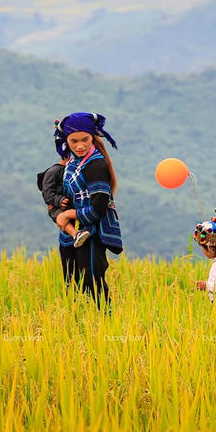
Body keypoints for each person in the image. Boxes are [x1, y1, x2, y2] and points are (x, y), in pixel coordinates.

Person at [52, 113, 122, 309]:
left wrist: (67, 215)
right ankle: (77, 327)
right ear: (66, 140)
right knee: (71, 284)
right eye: (74, 141)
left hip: (91, 234)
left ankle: (103, 325)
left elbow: (99, 207)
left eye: (85, 139)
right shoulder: (71, 162)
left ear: (93, 137)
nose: (80, 145)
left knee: (93, 283)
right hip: (70, 234)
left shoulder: (96, 165)